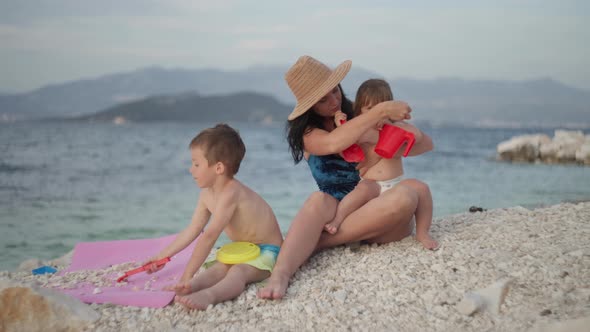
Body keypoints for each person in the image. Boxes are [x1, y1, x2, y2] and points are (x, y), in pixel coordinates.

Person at [258, 55, 434, 300]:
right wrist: (381, 110)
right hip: (336, 212)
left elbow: (423, 145)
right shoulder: (308, 134)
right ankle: (281, 274)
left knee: (404, 196)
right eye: (323, 99)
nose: (334, 101)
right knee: (317, 199)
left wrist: (380, 138)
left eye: (336, 91)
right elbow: (333, 142)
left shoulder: (362, 116)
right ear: (310, 106)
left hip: (378, 216)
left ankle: (319, 243)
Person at [144, 123, 283, 310]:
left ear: (218, 168)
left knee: (238, 272)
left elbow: (209, 236)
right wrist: (160, 256)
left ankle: (209, 295)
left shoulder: (231, 193)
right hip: (241, 249)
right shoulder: (206, 195)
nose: (191, 170)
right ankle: (191, 287)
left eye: (196, 164)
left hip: (268, 251)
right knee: (218, 268)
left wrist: (187, 273)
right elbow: (193, 229)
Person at [324, 79, 438, 250]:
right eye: (371, 109)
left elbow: (418, 136)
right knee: (361, 190)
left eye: (382, 108)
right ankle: (338, 221)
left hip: (397, 185)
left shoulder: (397, 127)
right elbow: (344, 148)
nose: (378, 114)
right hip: (372, 185)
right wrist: (340, 125)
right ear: (361, 111)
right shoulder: (362, 130)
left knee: (422, 187)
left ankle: (422, 232)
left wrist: (398, 126)